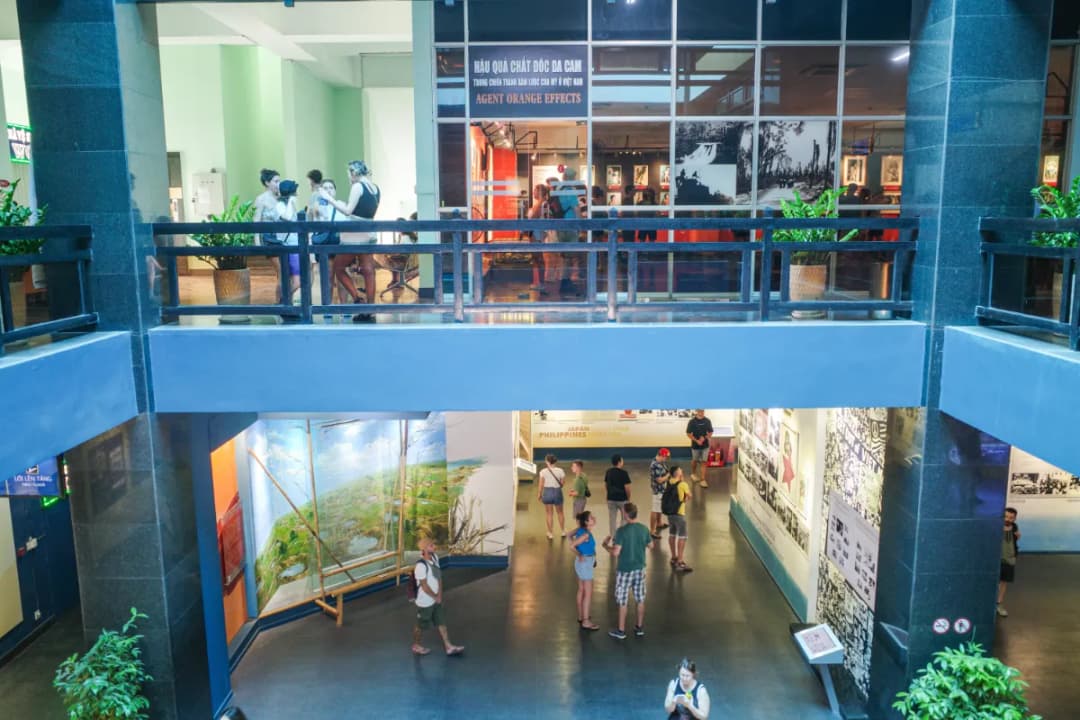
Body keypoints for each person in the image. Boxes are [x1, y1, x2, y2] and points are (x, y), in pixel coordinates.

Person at [320, 160, 380, 323]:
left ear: (354, 173)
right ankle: (371, 308)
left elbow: (348, 211)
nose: (349, 177)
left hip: (354, 234)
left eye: (349, 173)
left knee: (339, 268)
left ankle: (357, 299)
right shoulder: (375, 188)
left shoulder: (357, 186)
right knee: (368, 270)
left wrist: (329, 199)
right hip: (370, 232)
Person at [601, 502, 653, 639]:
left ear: (625, 514)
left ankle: (621, 631)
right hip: (640, 569)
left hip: (624, 570)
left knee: (623, 601)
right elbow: (651, 545)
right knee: (640, 599)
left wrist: (606, 546)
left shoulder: (621, 531)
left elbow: (616, 553)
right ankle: (639, 627)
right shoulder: (644, 529)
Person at [411, 537, 465, 657]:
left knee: (441, 623)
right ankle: (416, 645)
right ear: (424, 549)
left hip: (436, 599)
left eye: (433, 545)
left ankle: (448, 646)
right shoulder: (420, 566)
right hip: (425, 602)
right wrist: (435, 597)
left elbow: (438, 577)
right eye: (431, 546)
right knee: (420, 626)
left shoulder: (435, 558)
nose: (434, 547)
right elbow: (424, 586)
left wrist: (439, 595)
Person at [253, 168, 284, 302]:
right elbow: (256, 220)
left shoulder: (281, 198)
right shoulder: (261, 199)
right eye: (276, 181)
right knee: (282, 271)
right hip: (269, 237)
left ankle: (284, 300)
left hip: (282, 237)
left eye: (279, 181)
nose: (278, 183)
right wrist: (257, 242)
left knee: (284, 272)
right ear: (267, 183)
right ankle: (280, 302)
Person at [570, 510, 600, 631]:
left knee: (581, 590)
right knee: (588, 593)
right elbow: (572, 546)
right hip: (585, 564)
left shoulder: (581, 530)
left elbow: (568, 535)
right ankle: (586, 621)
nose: (594, 518)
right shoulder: (585, 534)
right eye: (591, 518)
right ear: (587, 522)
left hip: (582, 563)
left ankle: (581, 616)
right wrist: (580, 554)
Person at [275, 179, 301, 303]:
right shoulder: (280, 205)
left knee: (293, 279)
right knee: (297, 281)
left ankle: (286, 303)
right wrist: (291, 201)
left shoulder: (289, 204)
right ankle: (283, 300)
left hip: (294, 245)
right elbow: (288, 218)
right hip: (289, 246)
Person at [663, 465, 693, 572]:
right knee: (682, 536)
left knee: (672, 534)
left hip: (670, 513)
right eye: (680, 470)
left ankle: (673, 557)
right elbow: (689, 495)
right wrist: (685, 498)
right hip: (679, 513)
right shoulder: (683, 484)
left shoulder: (670, 481)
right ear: (677, 473)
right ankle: (680, 561)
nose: (682, 471)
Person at [526, 183, 550, 291]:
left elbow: (534, 217)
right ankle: (537, 281)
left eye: (535, 190)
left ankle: (539, 282)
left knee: (537, 258)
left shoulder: (541, 204)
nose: (533, 192)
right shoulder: (540, 204)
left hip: (537, 233)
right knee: (536, 258)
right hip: (535, 233)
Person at [998, 507, 1021, 617]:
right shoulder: (996, 526)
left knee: (1003, 583)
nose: (1008, 519)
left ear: (1014, 519)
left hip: (1009, 559)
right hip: (996, 559)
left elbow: (1016, 538)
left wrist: (1014, 556)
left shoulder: (1015, 527)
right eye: (1006, 516)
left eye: (1011, 518)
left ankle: (999, 604)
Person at [538, 454, 566, 540]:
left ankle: (550, 533)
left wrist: (539, 493)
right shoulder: (560, 471)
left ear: (547, 462)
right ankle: (563, 531)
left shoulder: (543, 471)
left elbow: (541, 484)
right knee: (560, 512)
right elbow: (562, 483)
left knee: (549, 513)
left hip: (547, 492)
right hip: (557, 491)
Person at [604, 454, 632, 537]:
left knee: (612, 518)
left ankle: (613, 537)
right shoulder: (624, 473)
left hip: (611, 499)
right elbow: (627, 488)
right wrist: (628, 498)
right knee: (624, 518)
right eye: (622, 460)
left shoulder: (608, 472)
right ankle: (622, 536)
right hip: (622, 499)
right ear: (619, 462)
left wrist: (607, 494)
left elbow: (606, 484)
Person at [686, 409, 713, 488]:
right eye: (700, 411)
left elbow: (710, 432)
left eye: (703, 411)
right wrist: (696, 440)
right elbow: (688, 433)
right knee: (694, 460)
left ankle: (702, 479)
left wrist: (704, 438)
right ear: (697, 411)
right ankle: (693, 474)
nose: (701, 412)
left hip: (705, 446)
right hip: (695, 446)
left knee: (704, 462)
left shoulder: (707, 421)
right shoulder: (692, 422)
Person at [649, 448, 672, 539]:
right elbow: (659, 480)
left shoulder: (660, 463)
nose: (666, 459)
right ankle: (652, 530)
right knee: (655, 509)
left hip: (662, 489)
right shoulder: (655, 465)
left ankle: (659, 523)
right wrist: (669, 475)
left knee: (659, 507)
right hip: (657, 490)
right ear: (661, 455)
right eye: (665, 457)